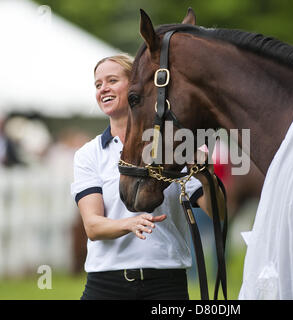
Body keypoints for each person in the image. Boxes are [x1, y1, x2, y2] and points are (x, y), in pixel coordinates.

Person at [71, 53, 223, 300]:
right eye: (98, 84)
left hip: (166, 283)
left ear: (135, 85)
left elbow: (219, 214)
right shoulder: (89, 154)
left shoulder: (172, 148)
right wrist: (128, 223)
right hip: (106, 284)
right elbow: (93, 226)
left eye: (111, 80)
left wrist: (206, 174)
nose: (103, 89)